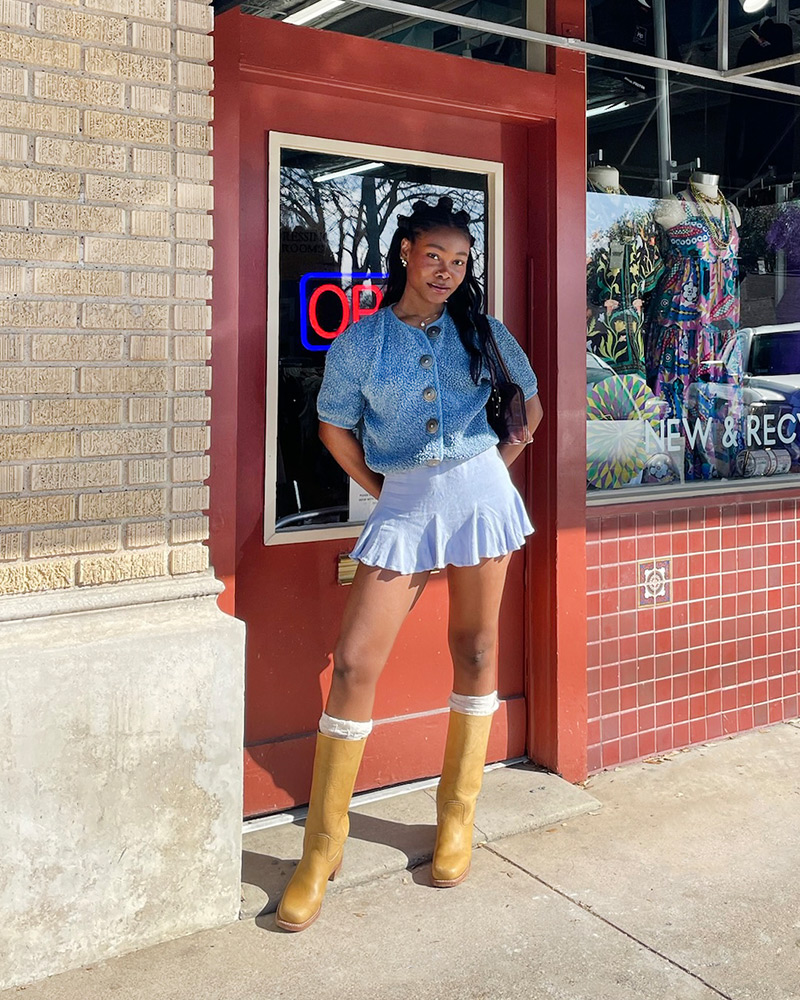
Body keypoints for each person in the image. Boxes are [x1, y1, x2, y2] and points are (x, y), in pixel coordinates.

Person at [276, 196, 543, 932]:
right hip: (406, 498)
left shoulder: (484, 331)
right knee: (356, 661)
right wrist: (383, 489)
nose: (448, 272)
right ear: (405, 253)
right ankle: (320, 848)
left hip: (481, 490)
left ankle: (456, 818)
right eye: (435, 257)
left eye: (460, 262)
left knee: (478, 646)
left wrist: (498, 462)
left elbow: (530, 403)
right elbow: (333, 425)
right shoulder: (363, 340)